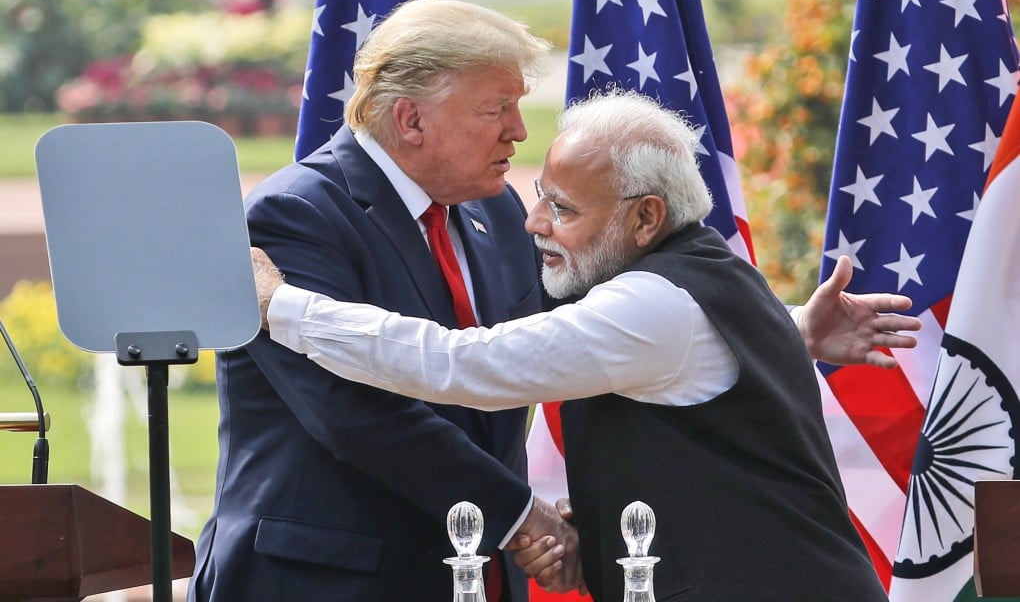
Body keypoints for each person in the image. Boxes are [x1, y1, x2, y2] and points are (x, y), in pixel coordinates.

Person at [252, 89, 919, 601]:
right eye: (541, 196)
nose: (533, 222)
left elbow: (462, 363)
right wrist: (792, 330)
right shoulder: (699, 275)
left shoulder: (651, 304)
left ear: (645, 216)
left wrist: (284, 307)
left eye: (564, 209)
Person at [188, 0, 581, 602]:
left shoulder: (496, 208)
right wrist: (519, 516)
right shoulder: (296, 215)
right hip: (326, 581)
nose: (519, 130)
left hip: (474, 574)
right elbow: (355, 411)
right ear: (411, 120)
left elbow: (556, 348)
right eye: (496, 109)